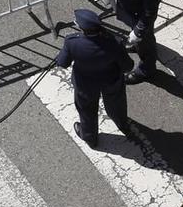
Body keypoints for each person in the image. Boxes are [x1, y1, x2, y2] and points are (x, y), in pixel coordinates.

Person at [54, 9, 140, 149]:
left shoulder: (72, 42)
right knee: (116, 104)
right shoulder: (114, 42)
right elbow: (128, 66)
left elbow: (63, 63)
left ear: (82, 28)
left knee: (87, 111)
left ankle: (90, 137)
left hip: (85, 85)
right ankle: (121, 123)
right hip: (111, 81)